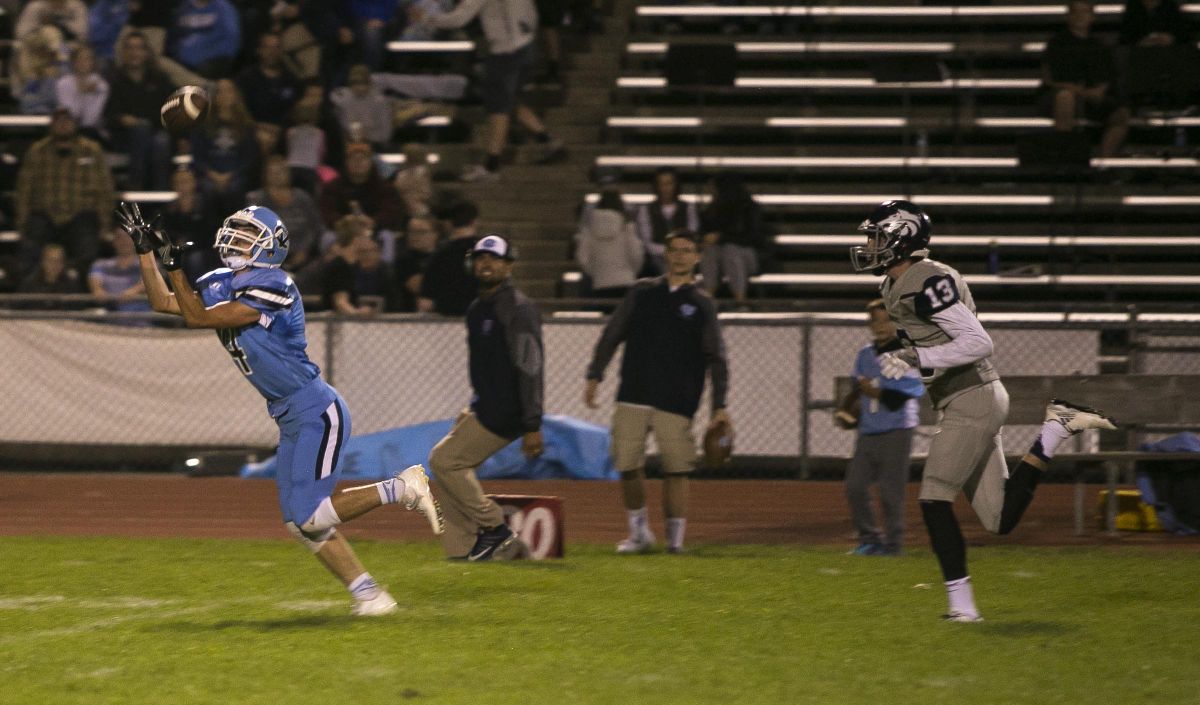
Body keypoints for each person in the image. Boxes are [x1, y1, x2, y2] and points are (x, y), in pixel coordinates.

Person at [116, 201, 444, 617]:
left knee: (309, 517)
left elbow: (198, 318)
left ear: (270, 247)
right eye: (234, 229)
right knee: (300, 522)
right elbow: (163, 302)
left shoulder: (276, 283)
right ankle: (371, 596)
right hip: (289, 412)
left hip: (315, 409)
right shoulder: (220, 279)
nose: (236, 239)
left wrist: (175, 267)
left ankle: (401, 487)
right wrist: (147, 253)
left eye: (248, 234)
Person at [850, 199, 1118, 622]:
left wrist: (916, 357)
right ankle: (1055, 428)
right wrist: (910, 354)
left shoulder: (925, 278)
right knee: (998, 519)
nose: (869, 244)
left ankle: (963, 609)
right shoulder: (898, 282)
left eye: (877, 236)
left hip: (971, 396)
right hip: (967, 397)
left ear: (902, 237)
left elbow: (978, 342)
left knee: (934, 498)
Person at [584, 230, 731, 554]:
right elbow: (613, 332)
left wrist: (719, 405)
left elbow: (716, 356)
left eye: (687, 250)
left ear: (696, 257)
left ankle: (675, 543)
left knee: (676, 470)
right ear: (666, 254)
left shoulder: (702, 302)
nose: (680, 256)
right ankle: (639, 533)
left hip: (677, 400)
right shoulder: (642, 292)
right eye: (674, 250)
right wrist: (595, 374)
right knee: (626, 464)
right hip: (633, 392)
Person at [428, 234, 542, 560]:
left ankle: (497, 531)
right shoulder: (479, 308)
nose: (486, 264)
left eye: (493, 258)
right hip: (486, 404)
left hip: (506, 409)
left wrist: (532, 422)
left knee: (444, 460)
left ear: (509, 266)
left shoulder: (517, 308)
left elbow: (531, 368)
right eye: (480, 258)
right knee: (451, 469)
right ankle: (463, 549)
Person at [418, 0, 566, 181]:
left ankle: (492, 165)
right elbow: (531, 13)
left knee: (499, 108)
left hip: (506, 52)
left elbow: (459, 19)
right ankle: (547, 140)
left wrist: (426, 18)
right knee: (510, 102)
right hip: (526, 46)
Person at [839, 299, 925, 557]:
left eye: (887, 320)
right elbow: (857, 389)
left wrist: (873, 391)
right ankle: (870, 539)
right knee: (854, 486)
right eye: (875, 320)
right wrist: (847, 410)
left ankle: (893, 545)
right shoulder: (865, 354)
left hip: (896, 429)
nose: (881, 326)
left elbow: (902, 396)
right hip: (868, 430)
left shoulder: (906, 353)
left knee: (890, 492)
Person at [16, 108, 115, 274]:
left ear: (75, 124)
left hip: (81, 214)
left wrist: (104, 225)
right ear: (52, 125)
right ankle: (30, 295)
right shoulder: (37, 151)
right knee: (28, 251)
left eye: (67, 121)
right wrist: (22, 223)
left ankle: (84, 297)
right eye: (59, 121)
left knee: (88, 251)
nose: (63, 125)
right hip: (44, 215)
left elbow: (105, 189)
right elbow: (24, 189)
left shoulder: (91, 150)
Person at [1042, 0, 1129, 158]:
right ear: (1069, 16)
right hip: (1062, 94)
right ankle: (1066, 159)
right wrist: (1081, 92)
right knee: (1065, 98)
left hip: (1090, 97)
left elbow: (1107, 77)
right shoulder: (1057, 43)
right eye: (1076, 12)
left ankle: (1104, 162)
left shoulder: (1099, 45)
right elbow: (1051, 79)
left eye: (1085, 12)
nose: (1080, 17)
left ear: (1092, 17)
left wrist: (1098, 91)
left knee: (1121, 113)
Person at [104, 30, 174, 191]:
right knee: (142, 130)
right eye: (130, 48)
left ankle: (159, 195)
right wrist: (123, 119)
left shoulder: (159, 79)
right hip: (125, 137)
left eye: (139, 48)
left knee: (160, 141)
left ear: (146, 52)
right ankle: (136, 186)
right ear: (124, 52)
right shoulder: (116, 80)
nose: (134, 53)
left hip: (156, 133)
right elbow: (109, 115)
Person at [247, 155, 324, 272]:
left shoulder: (302, 197)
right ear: (265, 175)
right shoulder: (256, 199)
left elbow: (316, 226)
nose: (278, 175)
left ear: (289, 174)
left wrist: (305, 249)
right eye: (273, 172)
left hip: (304, 252)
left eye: (282, 171)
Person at [700, 173, 765, 306]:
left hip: (748, 257)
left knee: (731, 250)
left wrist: (722, 237)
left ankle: (740, 300)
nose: (711, 192)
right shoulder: (712, 211)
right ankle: (708, 298)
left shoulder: (749, 208)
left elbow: (754, 238)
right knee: (710, 250)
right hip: (721, 258)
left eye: (714, 189)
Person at [575, 188, 643, 298]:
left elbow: (582, 257)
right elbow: (636, 254)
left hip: (600, 284)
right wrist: (631, 271)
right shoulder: (627, 226)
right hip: (625, 282)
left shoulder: (589, 228)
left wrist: (595, 271)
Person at [418, 200, 481, 315]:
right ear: (474, 222)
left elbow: (425, 303)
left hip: (447, 324)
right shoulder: (488, 254)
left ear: (450, 223)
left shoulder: (438, 256)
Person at [635, 167, 699, 276]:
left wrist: (679, 251)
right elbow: (647, 242)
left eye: (669, 183)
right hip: (657, 256)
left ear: (676, 185)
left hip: (684, 254)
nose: (665, 188)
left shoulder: (688, 208)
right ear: (656, 186)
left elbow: (691, 234)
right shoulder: (646, 210)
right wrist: (669, 252)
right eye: (662, 184)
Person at [235, 31, 301, 130]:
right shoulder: (246, 78)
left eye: (276, 47)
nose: (272, 52)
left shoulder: (291, 79)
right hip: (253, 131)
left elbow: (294, 112)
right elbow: (239, 110)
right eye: (268, 47)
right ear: (259, 50)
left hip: (284, 133)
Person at [167, 0, 241, 79]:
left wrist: (206, 57)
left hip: (211, 63)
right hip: (180, 63)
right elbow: (173, 37)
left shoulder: (224, 8)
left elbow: (231, 41)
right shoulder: (184, 7)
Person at [322, 215, 379, 316]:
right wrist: (357, 313)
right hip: (335, 325)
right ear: (356, 239)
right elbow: (340, 302)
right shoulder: (340, 266)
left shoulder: (353, 265)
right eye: (366, 237)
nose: (369, 241)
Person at [88, 227, 150, 317]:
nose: (124, 241)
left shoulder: (148, 263)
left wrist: (134, 291)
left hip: (140, 320)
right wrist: (98, 291)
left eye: (128, 237)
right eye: (120, 237)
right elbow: (96, 284)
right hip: (109, 320)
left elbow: (148, 281)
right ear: (114, 241)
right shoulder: (100, 264)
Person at [55, 45, 109, 143]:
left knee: (87, 132)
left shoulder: (101, 86)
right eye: (79, 59)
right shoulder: (63, 84)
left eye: (87, 59)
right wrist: (81, 93)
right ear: (73, 62)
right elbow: (69, 115)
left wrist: (85, 94)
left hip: (92, 131)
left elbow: (90, 120)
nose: (83, 63)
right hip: (69, 130)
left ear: (92, 62)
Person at [394, 214, 440, 311]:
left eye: (421, 232)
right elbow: (420, 287)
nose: (415, 236)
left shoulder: (444, 255)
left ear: (435, 234)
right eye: (412, 232)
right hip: (411, 315)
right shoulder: (403, 260)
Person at [17, 243, 85, 307]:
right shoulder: (29, 284)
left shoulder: (72, 285)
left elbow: (79, 308)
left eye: (58, 261)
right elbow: (18, 307)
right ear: (43, 262)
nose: (54, 265)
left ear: (63, 264)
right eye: (50, 260)